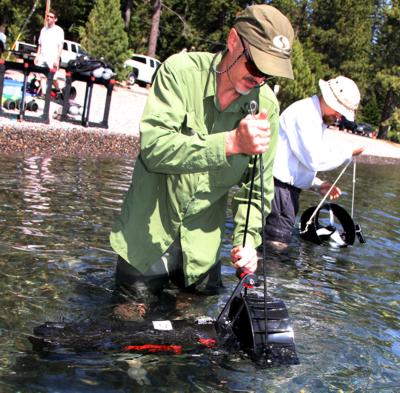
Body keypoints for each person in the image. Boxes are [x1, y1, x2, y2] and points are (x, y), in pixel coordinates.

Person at [109, 4, 295, 320]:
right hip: (144, 242)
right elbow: (155, 149)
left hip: (202, 254)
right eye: (256, 63)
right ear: (233, 40)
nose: (260, 78)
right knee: (130, 351)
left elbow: (257, 188)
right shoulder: (179, 73)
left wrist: (247, 242)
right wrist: (231, 143)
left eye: (269, 71)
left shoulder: (267, 108)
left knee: (192, 352)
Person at [263, 76, 365, 248]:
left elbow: (295, 162)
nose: (339, 117)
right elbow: (313, 159)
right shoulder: (306, 115)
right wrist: (348, 152)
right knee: (276, 249)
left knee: (271, 247)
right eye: (339, 111)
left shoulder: (315, 117)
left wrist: (317, 184)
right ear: (328, 99)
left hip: (283, 190)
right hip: (279, 191)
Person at [34, 9, 64, 94]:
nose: (49, 18)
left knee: (53, 77)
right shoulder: (43, 30)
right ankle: (43, 94)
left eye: (51, 17)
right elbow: (40, 44)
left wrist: (57, 59)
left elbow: (60, 46)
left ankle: (59, 91)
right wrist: (37, 56)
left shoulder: (59, 30)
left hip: (52, 57)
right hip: (43, 57)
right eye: (48, 16)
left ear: (55, 19)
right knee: (42, 76)